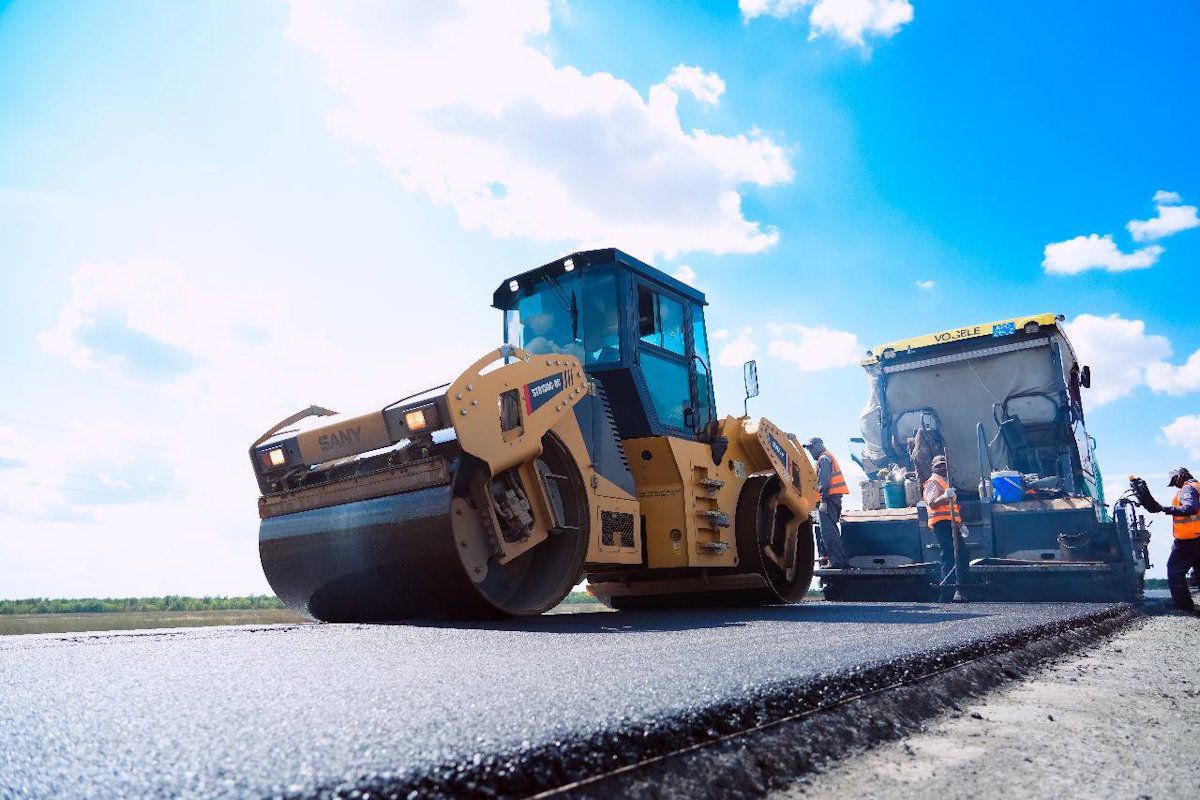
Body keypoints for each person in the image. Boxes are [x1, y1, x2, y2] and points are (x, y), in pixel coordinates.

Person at [923, 454, 969, 602]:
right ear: (933, 468)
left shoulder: (945, 483)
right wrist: (944, 496)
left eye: (944, 465)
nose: (942, 468)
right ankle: (947, 594)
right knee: (949, 554)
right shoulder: (933, 483)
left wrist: (961, 525)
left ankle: (962, 589)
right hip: (941, 523)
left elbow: (953, 509)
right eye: (939, 466)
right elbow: (932, 503)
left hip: (951, 523)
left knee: (962, 554)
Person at [801, 437, 851, 570]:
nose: (810, 451)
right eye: (808, 448)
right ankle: (841, 561)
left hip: (828, 500)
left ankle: (837, 563)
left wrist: (822, 500)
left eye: (811, 447)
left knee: (828, 533)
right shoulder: (827, 458)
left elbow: (825, 481)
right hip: (832, 499)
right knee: (832, 531)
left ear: (819, 445)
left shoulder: (824, 459)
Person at [1160, 467, 1200, 614]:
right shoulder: (1197, 486)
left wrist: (1167, 509)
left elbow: (1190, 508)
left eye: (1174, 480)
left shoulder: (1187, 489)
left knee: (1174, 570)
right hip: (1196, 537)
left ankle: (1184, 607)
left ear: (1182, 475)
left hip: (1190, 539)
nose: (1175, 484)